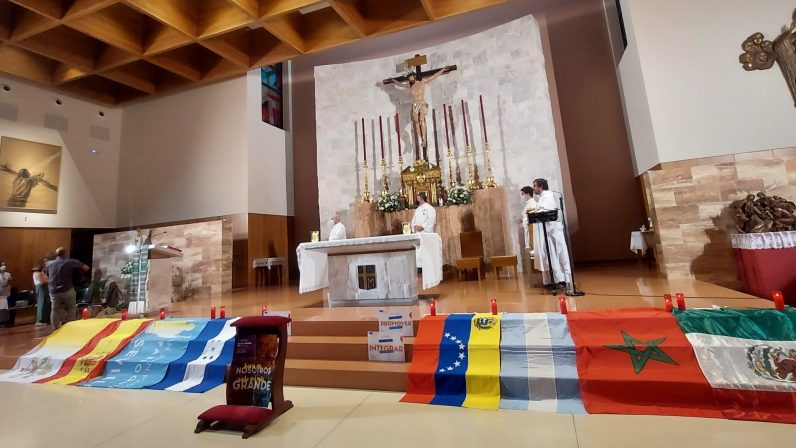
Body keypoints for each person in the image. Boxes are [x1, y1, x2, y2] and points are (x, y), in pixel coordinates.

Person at [530, 178, 571, 287]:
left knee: (554, 255)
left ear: (541, 186)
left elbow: (547, 213)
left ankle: (559, 279)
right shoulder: (543, 197)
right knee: (549, 255)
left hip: (550, 234)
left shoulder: (547, 197)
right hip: (546, 233)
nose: (533, 188)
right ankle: (551, 280)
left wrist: (536, 212)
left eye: (535, 186)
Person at [47, 247, 89, 330]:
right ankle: (70, 327)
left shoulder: (50, 264)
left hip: (53, 290)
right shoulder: (70, 261)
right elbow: (86, 268)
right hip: (67, 288)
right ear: (66, 253)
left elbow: (48, 275)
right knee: (71, 308)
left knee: (55, 309)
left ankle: (55, 328)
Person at [520, 186, 537, 258]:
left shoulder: (533, 204)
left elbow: (532, 219)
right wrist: (523, 219)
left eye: (523, 194)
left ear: (528, 194)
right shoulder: (528, 203)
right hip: (527, 230)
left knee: (532, 250)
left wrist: (524, 219)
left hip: (532, 232)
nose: (522, 196)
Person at [33, 262, 50, 326]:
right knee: (41, 303)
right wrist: (50, 280)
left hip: (44, 288)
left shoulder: (42, 273)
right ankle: (39, 320)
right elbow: (42, 282)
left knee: (46, 303)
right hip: (41, 288)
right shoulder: (37, 273)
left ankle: (45, 319)